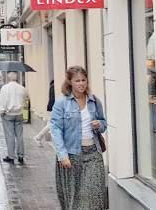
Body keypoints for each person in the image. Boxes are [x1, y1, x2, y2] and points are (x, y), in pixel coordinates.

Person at [50, 66, 107, 210]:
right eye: (77, 81)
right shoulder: (62, 103)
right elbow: (56, 129)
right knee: (74, 199)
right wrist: (62, 155)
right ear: (70, 82)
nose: (81, 83)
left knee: (93, 196)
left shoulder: (94, 101)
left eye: (83, 80)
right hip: (72, 155)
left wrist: (99, 124)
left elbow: (103, 123)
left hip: (93, 153)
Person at [0, 71, 28, 164]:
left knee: (10, 135)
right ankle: (21, 155)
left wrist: (1, 112)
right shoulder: (22, 88)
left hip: (8, 114)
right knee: (19, 135)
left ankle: (11, 156)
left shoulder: (5, 88)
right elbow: (25, 101)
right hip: (19, 114)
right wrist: (24, 113)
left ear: (8, 77)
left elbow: (2, 101)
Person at [34, 79, 56, 147]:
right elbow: (53, 99)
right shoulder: (54, 87)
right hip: (53, 108)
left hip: (51, 107)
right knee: (50, 125)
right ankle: (38, 137)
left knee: (50, 124)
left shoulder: (52, 86)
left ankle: (38, 137)